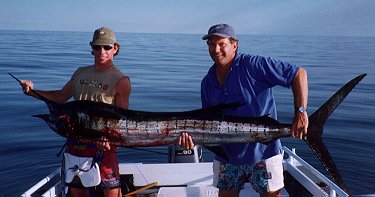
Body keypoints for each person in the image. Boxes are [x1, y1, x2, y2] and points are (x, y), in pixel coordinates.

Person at [178, 23, 308, 197]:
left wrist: (300, 111)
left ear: (234, 45)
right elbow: (207, 124)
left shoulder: (254, 65)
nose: (216, 49)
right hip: (228, 157)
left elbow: (298, 74)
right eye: (211, 44)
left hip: (264, 153)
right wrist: (194, 139)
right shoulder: (207, 82)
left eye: (221, 44)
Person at [20, 27, 130, 197]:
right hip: (76, 146)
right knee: (77, 192)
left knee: (111, 193)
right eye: (97, 47)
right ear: (91, 47)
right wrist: (32, 92)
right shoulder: (80, 73)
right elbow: (60, 97)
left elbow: (123, 121)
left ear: (115, 48)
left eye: (107, 47)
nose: (102, 51)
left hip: (104, 147)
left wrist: (109, 139)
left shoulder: (121, 81)